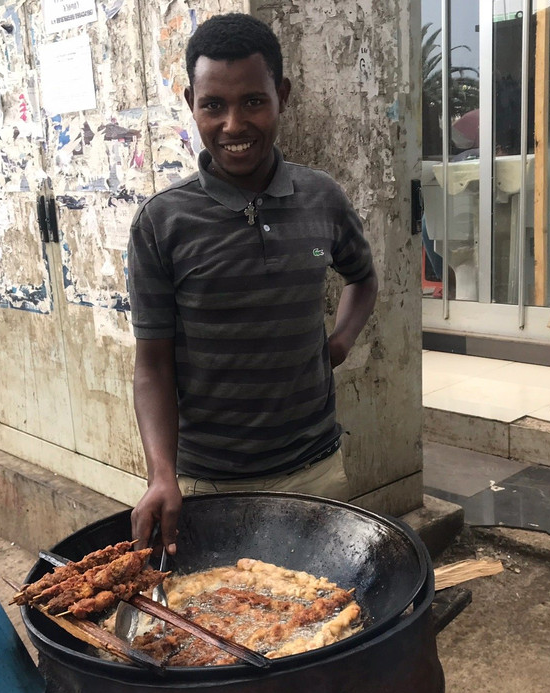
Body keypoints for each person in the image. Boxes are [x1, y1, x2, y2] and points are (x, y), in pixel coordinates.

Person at [127, 13, 379, 553]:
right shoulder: (161, 222)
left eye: (253, 102)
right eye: (213, 105)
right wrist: (162, 474)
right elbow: (152, 365)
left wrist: (338, 342)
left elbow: (363, 278)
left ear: (281, 95)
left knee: (319, 623)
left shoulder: (323, 198)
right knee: (223, 626)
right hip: (206, 487)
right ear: (192, 102)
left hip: (316, 473)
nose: (233, 124)